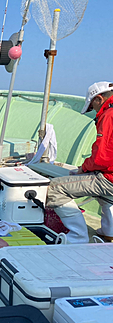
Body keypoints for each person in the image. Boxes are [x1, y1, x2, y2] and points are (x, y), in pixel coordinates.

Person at [46, 81, 113, 243]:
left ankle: (77, 238)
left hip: (110, 179)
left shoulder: (109, 115)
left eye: (93, 106)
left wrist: (83, 168)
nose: (94, 110)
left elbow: (102, 157)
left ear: (98, 99)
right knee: (104, 195)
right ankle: (108, 233)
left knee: (55, 188)